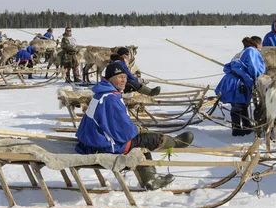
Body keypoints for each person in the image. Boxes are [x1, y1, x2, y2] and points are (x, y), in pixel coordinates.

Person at [75, 62, 195, 190]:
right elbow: (124, 133)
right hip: (102, 145)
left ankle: (150, 179)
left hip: (93, 142)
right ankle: (176, 143)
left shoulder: (104, 94)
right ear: (109, 78)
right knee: (149, 139)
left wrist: (136, 130)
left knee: (141, 139)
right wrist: (137, 129)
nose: (123, 80)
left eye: (125, 77)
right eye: (119, 76)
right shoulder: (109, 99)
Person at [215, 37, 265, 136]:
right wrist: (257, 79)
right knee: (238, 104)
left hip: (230, 79)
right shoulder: (252, 51)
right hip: (238, 81)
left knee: (241, 104)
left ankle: (245, 125)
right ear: (258, 44)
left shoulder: (242, 51)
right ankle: (237, 128)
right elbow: (254, 67)